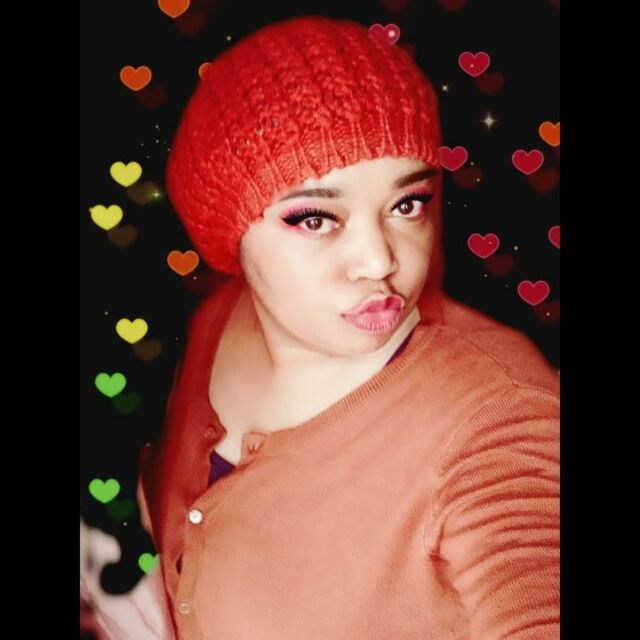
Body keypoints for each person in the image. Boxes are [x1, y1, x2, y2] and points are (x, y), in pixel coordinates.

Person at [131, 14, 559, 639]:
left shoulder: (497, 419)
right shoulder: (218, 321)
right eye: (315, 219)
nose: (379, 261)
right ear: (229, 229)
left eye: (406, 204)